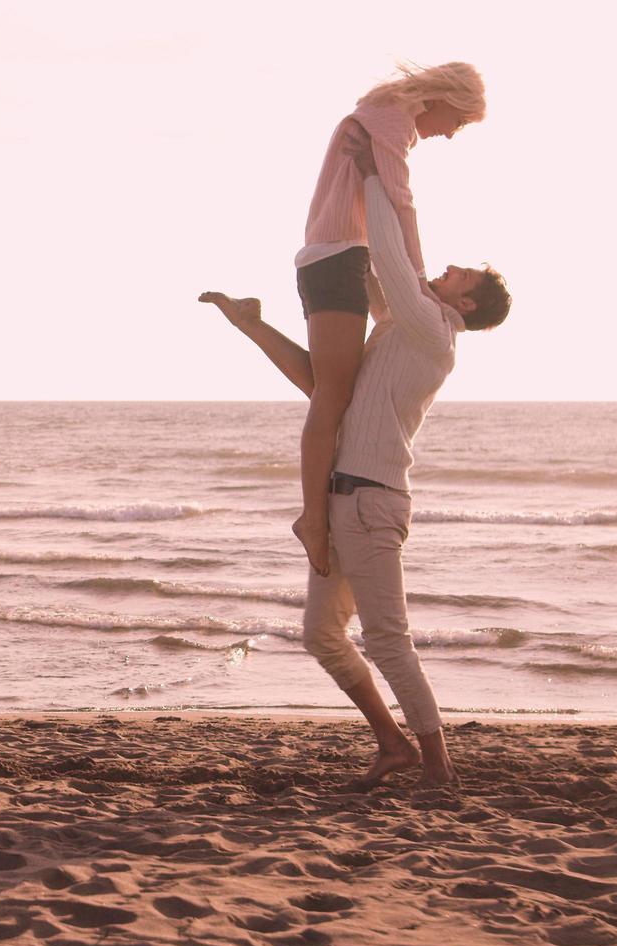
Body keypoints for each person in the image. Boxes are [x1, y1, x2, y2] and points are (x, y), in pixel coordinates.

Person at [199, 128, 511, 789]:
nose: (446, 270)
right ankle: (392, 744)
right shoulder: (401, 326)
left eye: (460, 276)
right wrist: (361, 193)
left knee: (389, 641)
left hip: (370, 501)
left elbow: (394, 268)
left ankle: (438, 769)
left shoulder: (433, 331)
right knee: (321, 634)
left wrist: (376, 172)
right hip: (342, 497)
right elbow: (365, 279)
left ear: (465, 305)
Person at [294, 63, 487, 578]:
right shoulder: (393, 121)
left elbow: (391, 197)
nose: (451, 133)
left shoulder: (383, 117)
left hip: (334, 253)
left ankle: (249, 324)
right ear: (447, 99)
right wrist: (419, 277)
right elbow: (400, 204)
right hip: (338, 254)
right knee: (331, 395)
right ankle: (313, 519)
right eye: (460, 121)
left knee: (335, 386)